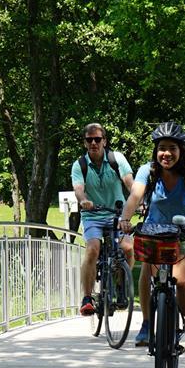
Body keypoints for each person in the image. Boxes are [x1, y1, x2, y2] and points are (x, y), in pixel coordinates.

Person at [118, 121, 185, 355]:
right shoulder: (147, 170)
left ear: (181, 150)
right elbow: (135, 196)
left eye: (172, 148)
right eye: (162, 148)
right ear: (155, 150)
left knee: (180, 280)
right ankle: (147, 323)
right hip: (155, 232)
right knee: (147, 267)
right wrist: (125, 218)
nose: (166, 153)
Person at [70, 122, 135, 315]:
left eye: (97, 139)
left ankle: (122, 286)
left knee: (128, 248)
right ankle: (87, 297)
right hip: (92, 216)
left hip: (118, 215)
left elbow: (130, 183)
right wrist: (83, 201)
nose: (93, 143)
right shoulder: (79, 165)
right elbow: (78, 190)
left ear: (104, 141)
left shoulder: (117, 159)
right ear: (85, 143)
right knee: (92, 249)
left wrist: (139, 201)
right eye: (89, 140)